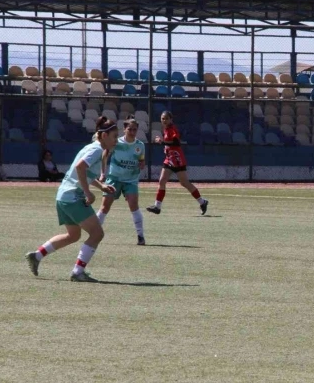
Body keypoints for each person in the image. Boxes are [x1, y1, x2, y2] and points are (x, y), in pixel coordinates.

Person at [24, 117, 119, 282]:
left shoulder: (92, 147)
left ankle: (37, 255)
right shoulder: (97, 150)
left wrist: (101, 186)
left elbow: (84, 173)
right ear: (104, 135)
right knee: (97, 233)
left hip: (63, 196)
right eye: (114, 136)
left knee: (73, 235)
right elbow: (80, 167)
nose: (116, 140)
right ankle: (78, 272)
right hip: (73, 196)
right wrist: (88, 193)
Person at [96, 116, 147, 246]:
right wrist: (102, 173)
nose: (132, 132)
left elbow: (141, 160)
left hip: (131, 180)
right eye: (130, 129)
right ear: (124, 129)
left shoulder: (140, 145)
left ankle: (140, 236)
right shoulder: (116, 143)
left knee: (134, 206)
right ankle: (94, 232)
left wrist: (141, 164)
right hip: (114, 178)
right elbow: (105, 155)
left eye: (135, 130)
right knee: (105, 207)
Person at [146, 111, 208, 215]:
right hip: (169, 159)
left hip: (177, 159)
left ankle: (202, 202)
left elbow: (176, 142)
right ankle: (157, 206)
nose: (164, 120)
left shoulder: (172, 129)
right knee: (162, 181)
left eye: (166, 118)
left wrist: (162, 142)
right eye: (162, 118)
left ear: (171, 119)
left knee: (185, 183)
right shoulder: (166, 129)